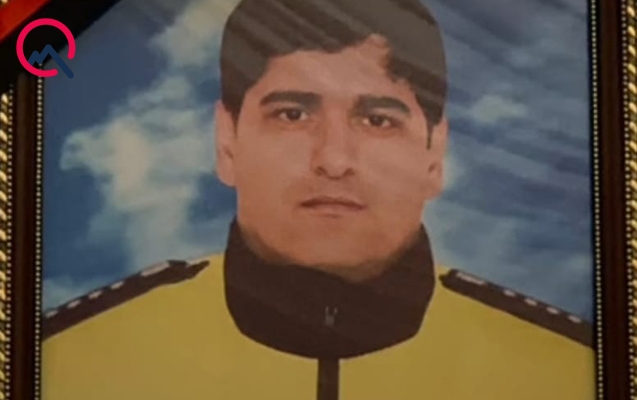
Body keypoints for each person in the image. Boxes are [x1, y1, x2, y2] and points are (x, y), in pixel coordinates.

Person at [40, 0, 595, 399]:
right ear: (227, 142)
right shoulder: (64, 359)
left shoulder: (573, 371)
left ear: (434, 153)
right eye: (292, 114)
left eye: (378, 120)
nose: (333, 159)